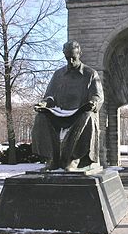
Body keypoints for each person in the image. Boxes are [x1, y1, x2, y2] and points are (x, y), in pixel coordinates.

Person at [32, 40, 104, 171]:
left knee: (87, 116)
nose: (70, 61)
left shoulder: (91, 74)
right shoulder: (58, 74)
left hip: (79, 113)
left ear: (79, 54)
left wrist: (93, 103)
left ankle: (73, 159)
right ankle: (51, 159)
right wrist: (44, 103)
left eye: (73, 58)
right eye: (67, 58)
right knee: (40, 117)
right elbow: (50, 96)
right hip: (59, 113)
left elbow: (97, 96)